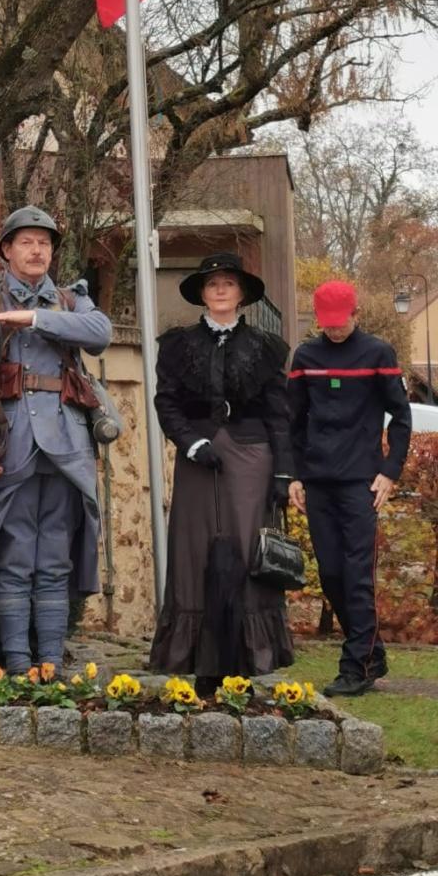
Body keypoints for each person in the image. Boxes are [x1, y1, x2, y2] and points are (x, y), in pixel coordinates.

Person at [0, 206, 110, 674]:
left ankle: (52, 662)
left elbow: (100, 334)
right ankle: (19, 664)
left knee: (56, 555)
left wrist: (35, 319)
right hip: (10, 440)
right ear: (6, 250)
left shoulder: (71, 299)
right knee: (15, 555)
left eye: (44, 243)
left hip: (66, 444)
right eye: (26, 242)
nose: (37, 250)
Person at [148, 252, 294, 693]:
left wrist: (284, 474)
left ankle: (245, 661)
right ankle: (203, 664)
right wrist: (191, 442)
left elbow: (279, 414)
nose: (220, 290)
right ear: (203, 293)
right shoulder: (177, 346)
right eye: (213, 284)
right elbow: (166, 403)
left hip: (251, 459)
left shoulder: (267, 348)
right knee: (194, 552)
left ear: (242, 293)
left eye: (228, 283)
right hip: (198, 458)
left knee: (248, 554)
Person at [288, 279, 411, 697]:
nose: (335, 329)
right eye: (328, 323)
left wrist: (389, 472)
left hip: (362, 482)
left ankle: (355, 666)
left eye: (341, 322)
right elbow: (294, 422)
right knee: (331, 574)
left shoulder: (378, 353)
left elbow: (401, 417)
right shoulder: (306, 357)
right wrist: (295, 475)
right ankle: (372, 652)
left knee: (358, 575)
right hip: (318, 480)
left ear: (355, 314)